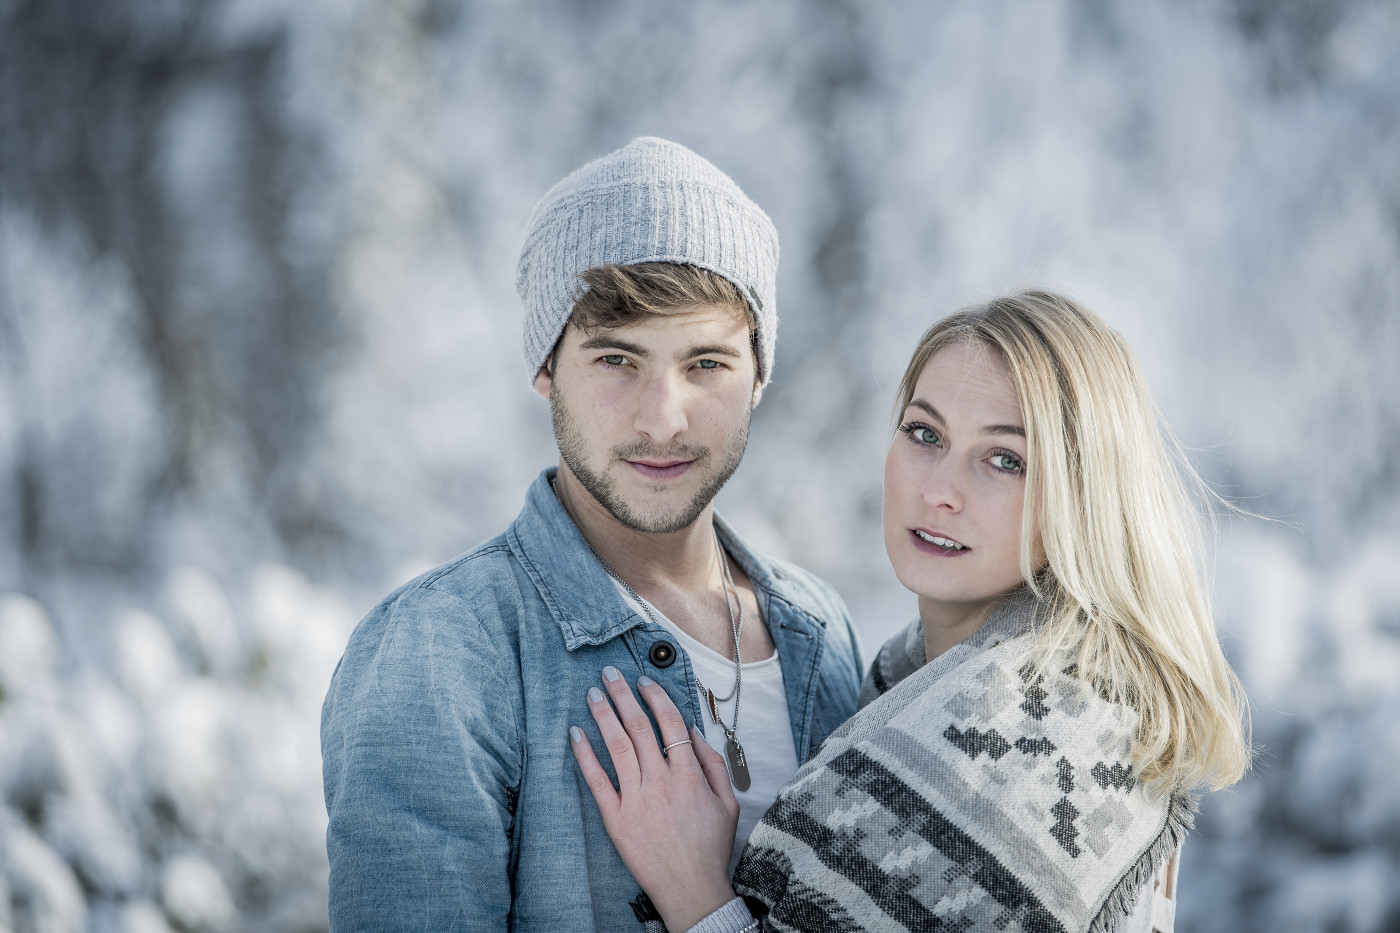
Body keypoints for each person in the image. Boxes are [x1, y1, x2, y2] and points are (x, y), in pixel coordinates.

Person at [571, 288, 1251, 933]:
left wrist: (694, 890)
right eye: (925, 434)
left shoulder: (1033, 736)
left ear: (1084, 496)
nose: (940, 490)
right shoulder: (913, 687)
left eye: (1005, 459)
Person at [320, 138, 865, 931]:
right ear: (547, 367)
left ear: (760, 373)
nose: (663, 419)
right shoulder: (440, 654)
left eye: (707, 363)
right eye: (617, 359)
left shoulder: (823, 634)